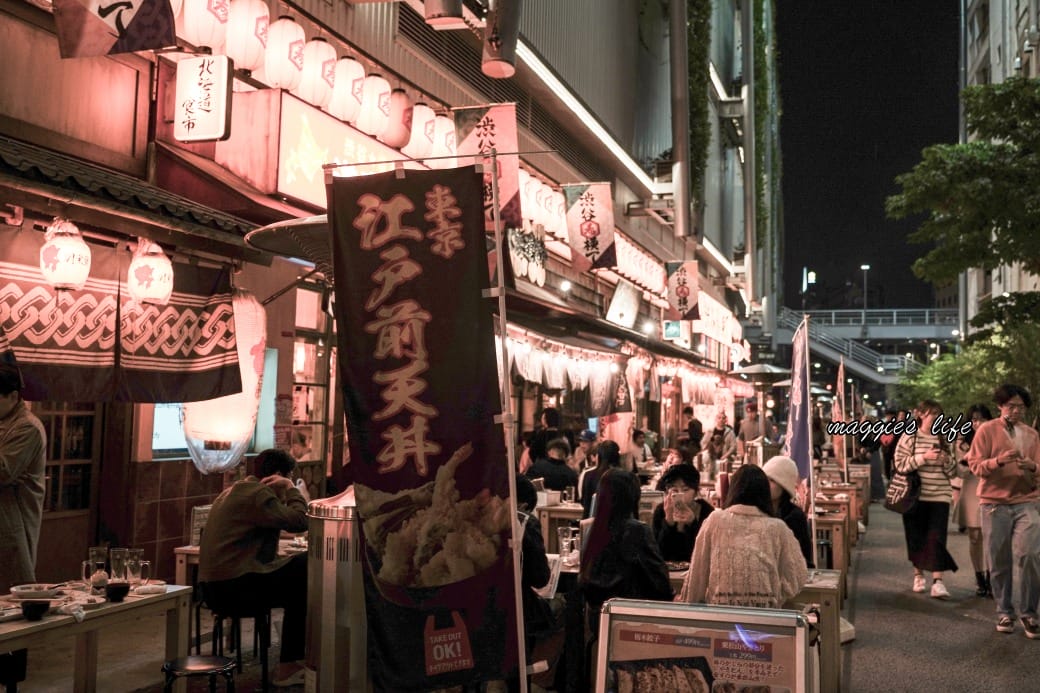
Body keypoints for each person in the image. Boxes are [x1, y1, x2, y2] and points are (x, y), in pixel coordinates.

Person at [199, 448, 309, 686]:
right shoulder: (258, 494)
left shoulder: (236, 490)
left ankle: (294, 659)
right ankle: (289, 667)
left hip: (213, 589)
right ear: (278, 475)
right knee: (307, 569)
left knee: (298, 583)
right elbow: (301, 522)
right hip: (233, 589)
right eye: (288, 476)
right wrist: (291, 488)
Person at [967, 384, 1040, 637]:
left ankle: (1030, 613)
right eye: (1011, 406)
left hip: (1026, 500)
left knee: (1030, 554)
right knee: (999, 559)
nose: (1016, 410)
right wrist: (997, 461)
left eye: (1021, 406)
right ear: (1000, 406)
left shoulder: (1031, 434)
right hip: (993, 503)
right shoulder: (987, 430)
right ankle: (1004, 611)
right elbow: (975, 465)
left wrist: (1032, 466)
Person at [681, 464, 807, 608]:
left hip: (720, 617)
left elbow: (697, 574)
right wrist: (774, 596)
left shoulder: (714, 520)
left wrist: (692, 610)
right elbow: (798, 575)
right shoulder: (778, 528)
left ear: (733, 490)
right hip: (764, 618)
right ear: (764, 493)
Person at [579, 470, 673, 632]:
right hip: (631, 622)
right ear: (633, 496)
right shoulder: (638, 531)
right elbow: (661, 586)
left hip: (598, 621)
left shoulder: (593, 530)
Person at [0, 363, 46, 688]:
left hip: (12, 530)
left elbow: (3, 471)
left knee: (12, 608)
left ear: (13, 396)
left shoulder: (27, 427)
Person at [893, 399, 958, 600]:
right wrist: (924, 457)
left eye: (938, 414)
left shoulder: (944, 437)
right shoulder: (909, 436)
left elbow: (953, 469)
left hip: (940, 495)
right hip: (915, 497)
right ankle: (918, 574)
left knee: (937, 538)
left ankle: (938, 582)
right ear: (921, 415)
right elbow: (900, 464)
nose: (936, 418)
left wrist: (945, 461)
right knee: (916, 537)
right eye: (932, 414)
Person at [953, 403, 993, 597]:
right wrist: (971, 457)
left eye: (982, 418)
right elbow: (960, 470)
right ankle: (980, 577)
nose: (979, 423)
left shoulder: (997, 436)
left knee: (992, 537)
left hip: (993, 489)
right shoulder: (962, 441)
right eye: (975, 419)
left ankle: (993, 577)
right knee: (975, 537)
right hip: (971, 488)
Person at [651, 465, 714, 562]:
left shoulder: (706, 511)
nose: (681, 494)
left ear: (696, 492)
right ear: (668, 491)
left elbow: (706, 552)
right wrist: (668, 522)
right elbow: (658, 553)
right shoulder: (661, 510)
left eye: (686, 490)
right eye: (675, 490)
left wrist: (692, 523)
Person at [762, 455, 814, 568]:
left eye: (772, 480)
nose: (766, 484)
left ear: (783, 486)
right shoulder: (757, 511)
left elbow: (803, 557)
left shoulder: (795, 516)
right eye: (764, 479)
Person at [580, 440, 623, 519]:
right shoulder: (627, 477)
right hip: (621, 524)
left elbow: (585, 503)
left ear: (599, 456)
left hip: (595, 524)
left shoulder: (589, 476)